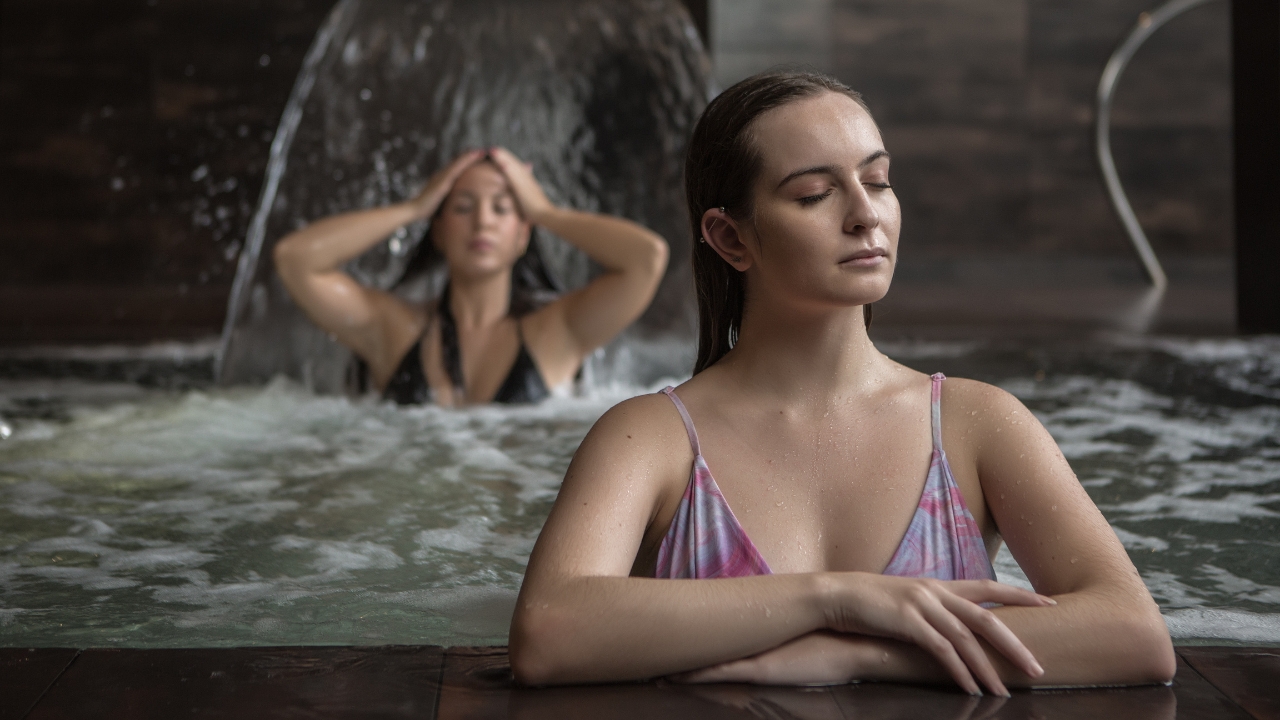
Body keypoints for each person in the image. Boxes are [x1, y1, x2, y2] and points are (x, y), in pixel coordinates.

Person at [509, 72, 1175, 694]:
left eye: (878, 181)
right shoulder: (652, 438)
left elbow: (1134, 634)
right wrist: (836, 598)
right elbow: (549, 633)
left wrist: (861, 653)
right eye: (814, 194)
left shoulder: (975, 423)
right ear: (730, 238)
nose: (866, 215)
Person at [274, 147, 669, 405]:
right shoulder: (395, 330)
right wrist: (414, 208)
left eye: (501, 208)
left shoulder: (557, 331)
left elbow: (647, 258)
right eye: (463, 207)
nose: (482, 221)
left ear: (521, 235)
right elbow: (295, 259)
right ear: (440, 231)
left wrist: (547, 213)